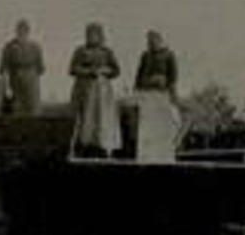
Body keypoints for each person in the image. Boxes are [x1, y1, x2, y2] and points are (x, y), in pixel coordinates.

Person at [69, 23, 122, 155]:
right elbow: (72, 69)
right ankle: (84, 144)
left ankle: (103, 145)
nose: (91, 37)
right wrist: (88, 71)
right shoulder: (80, 51)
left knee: (102, 118)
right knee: (86, 117)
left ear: (100, 36)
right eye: (89, 34)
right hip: (84, 89)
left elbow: (116, 70)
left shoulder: (107, 52)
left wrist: (105, 71)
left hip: (103, 92)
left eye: (94, 34)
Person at [0, 20, 45, 116]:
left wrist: (30, 75)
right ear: (16, 31)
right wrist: (7, 87)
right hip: (15, 83)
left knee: (33, 111)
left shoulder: (35, 47)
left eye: (24, 30)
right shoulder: (9, 47)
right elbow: (3, 69)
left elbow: (41, 68)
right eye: (20, 30)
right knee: (15, 111)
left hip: (31, 85)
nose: (22, 33)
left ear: (28, 32)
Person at [134, 29, 179, 101]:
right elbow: (139, 74)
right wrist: (136, 89)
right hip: (146, 89)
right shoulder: (145, 55)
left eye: (152, 41)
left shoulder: (168, 55)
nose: (150, 44)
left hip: (161, 89)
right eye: (149, 41)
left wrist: (172, 92)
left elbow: (173, 76)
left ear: (159, 40)